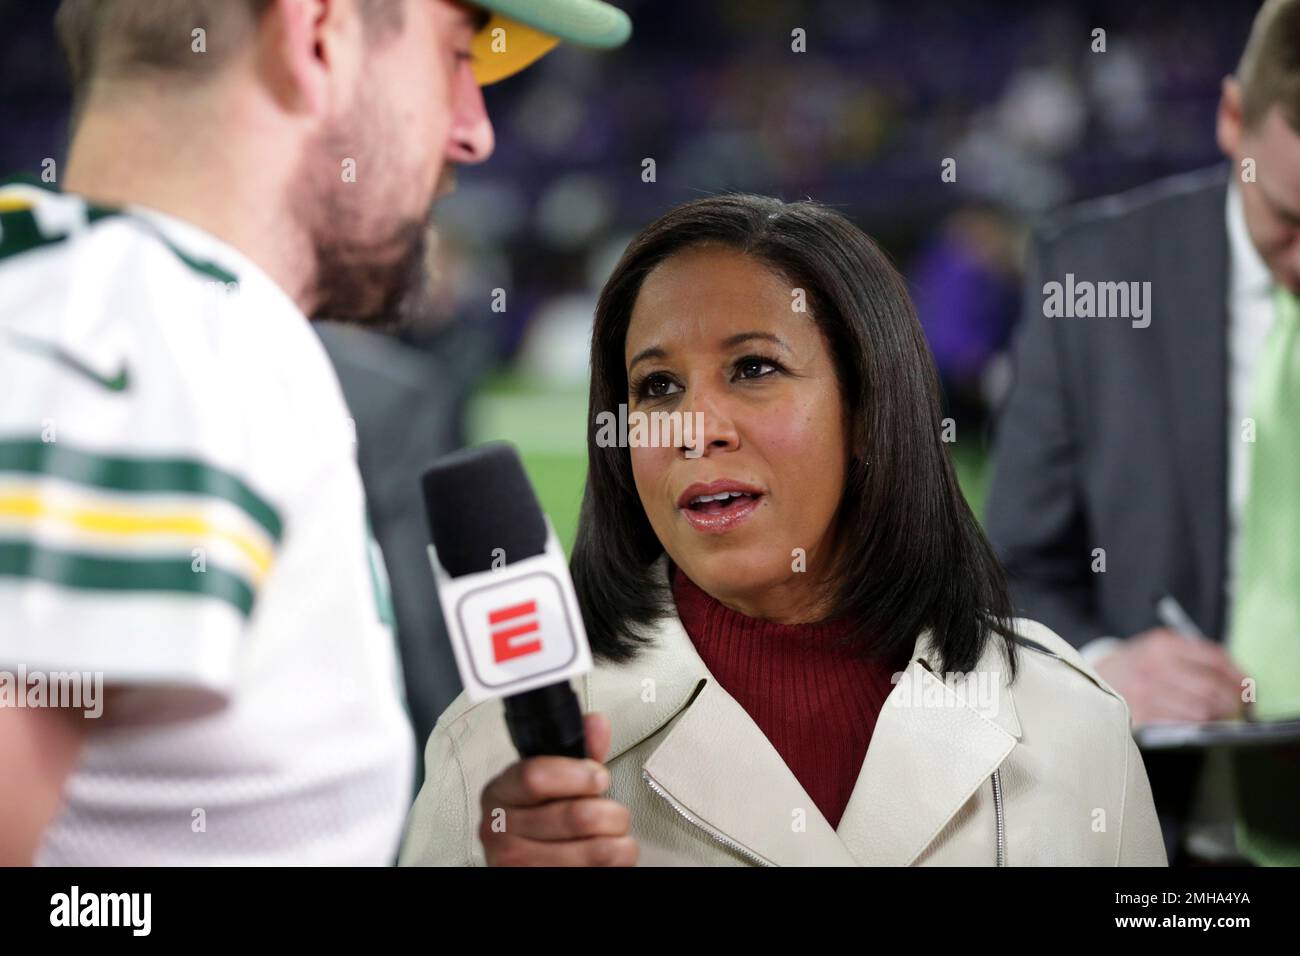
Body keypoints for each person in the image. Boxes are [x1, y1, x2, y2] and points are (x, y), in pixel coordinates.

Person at [0, 0, 629, 865]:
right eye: (455, 58)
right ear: (317, 36)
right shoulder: (155, 340)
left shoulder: (120, 310)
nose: (475, 131)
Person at [398, 194, 1167, 866]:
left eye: (753, 369)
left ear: (869, 412)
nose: (694, 429)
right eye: (657, 387)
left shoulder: (1073, 718)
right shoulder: (495, 757)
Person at [984, 0, 1300, 865]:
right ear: (1233, 117)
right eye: (1291, 221)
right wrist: (1102, 665)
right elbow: (1005, 570)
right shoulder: (1093, 277)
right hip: (1168, 836)